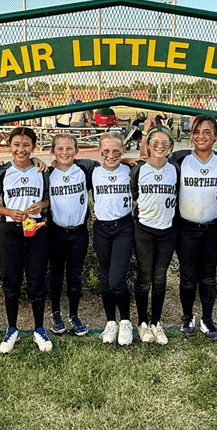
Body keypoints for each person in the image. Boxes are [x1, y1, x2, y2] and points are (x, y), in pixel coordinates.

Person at [0, 127, 52, 354]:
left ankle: (39, 328)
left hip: (36, 230)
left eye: (26, 145)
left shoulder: (40, 170)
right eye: (16, 144)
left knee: (36, 281)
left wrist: (40, 206)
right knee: (11, 280)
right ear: (10, 146)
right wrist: (8, 212)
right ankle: (12, 328)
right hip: (11, 231)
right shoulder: (3, 171)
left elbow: (46, 200)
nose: (21, 149)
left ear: (33, 147)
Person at [172, 115, 217, 342]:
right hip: (186, 228)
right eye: (197, 131)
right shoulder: (180, 158)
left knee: (208, 276)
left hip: (213, 227)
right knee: (188, 277)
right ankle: (187, 317)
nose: (201, 136)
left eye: (207, 132)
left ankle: (207, 319)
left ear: (216, 136)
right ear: (191, 135)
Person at [131, 126, 180, 345]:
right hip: (144, 229)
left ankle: (156, 323)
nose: (160, 146)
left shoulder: (175, 169)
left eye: (164, 143)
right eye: (155, 143)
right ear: (148, 146)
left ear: (170, 146)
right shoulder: (139, 170)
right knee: (144, 278)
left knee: (160, 277)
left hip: (167, 230)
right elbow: (134, 193)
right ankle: (142, 323)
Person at [45, 134, 94, 337]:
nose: (64, 152)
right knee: (55, 274)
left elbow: (112, 166)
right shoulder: (46, 173)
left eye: (69, 148)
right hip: (55, 231)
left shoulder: (84, 169)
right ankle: (56, 313)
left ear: (76, 151)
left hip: (79, 232)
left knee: (75, 276)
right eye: (60, 149)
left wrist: (127, 159)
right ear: (53, 151)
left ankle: (74, 314)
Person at [90, 132, 136, 346]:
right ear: (99, 151)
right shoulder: (91, 170)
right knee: (106, 278)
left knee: (117, 280)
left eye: (116, 151)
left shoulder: (130, 170)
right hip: (101, 228)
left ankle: (125, 321)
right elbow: (62, 163)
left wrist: (127, 160)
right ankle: (111, 322)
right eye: (106, 151)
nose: (111, 155)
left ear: (123, 151)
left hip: (123, 227)